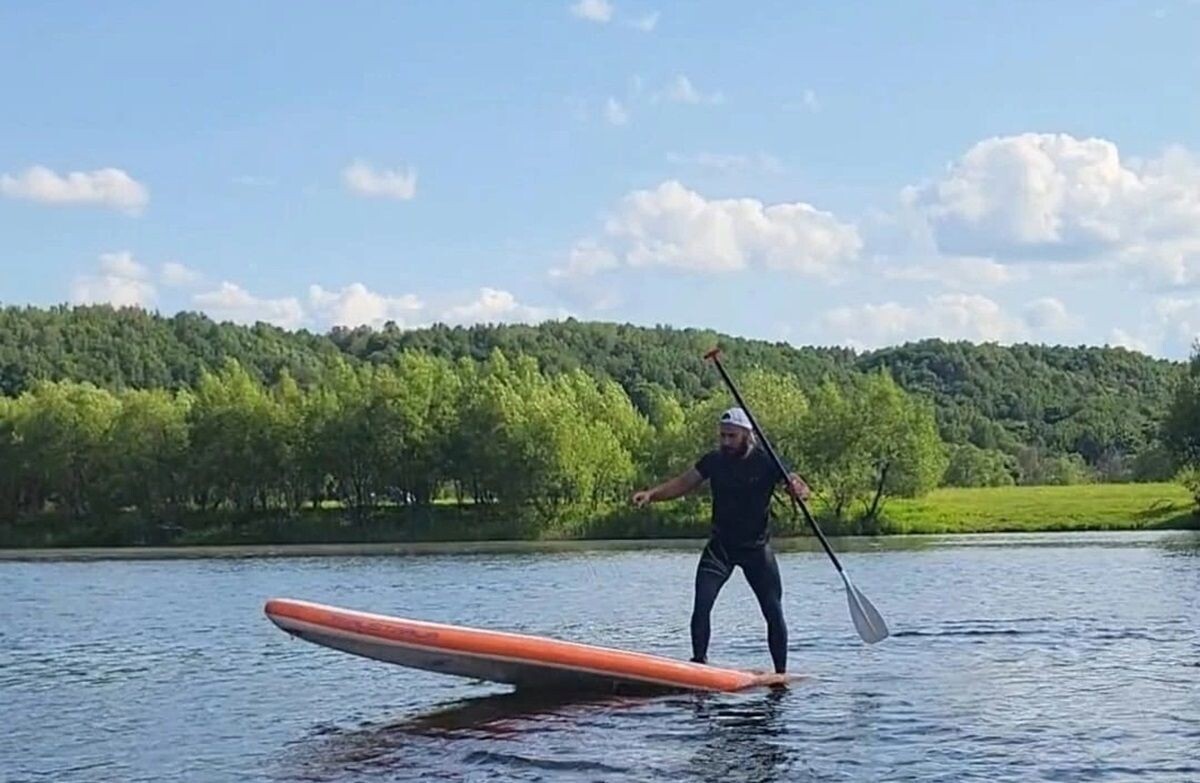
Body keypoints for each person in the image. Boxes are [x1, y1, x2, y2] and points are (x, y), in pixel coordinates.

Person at [631, 407, 809, 674]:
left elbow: (798, 484)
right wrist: (652, 495)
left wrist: (799, 490)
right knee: (702, 604)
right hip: (721, 548)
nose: (725, 442)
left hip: (756, 549)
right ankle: (699, 664)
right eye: (722, 436)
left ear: (747, 436)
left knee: (773, 610)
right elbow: (683, 482)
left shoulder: (768, 461)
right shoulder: (714, 460)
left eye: (731, 436)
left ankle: (780, 673)